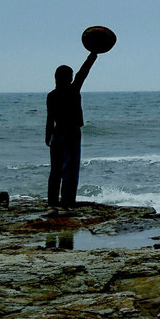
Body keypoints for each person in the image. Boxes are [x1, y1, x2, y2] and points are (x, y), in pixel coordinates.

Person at [45, 51, 98, 208]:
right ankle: (67, 201)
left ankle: (53, 201)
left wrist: (47, 136)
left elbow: (49, 118)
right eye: (70, 76)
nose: (72, 78)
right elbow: (84, 72)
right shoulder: (73, 90)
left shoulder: (51, 95)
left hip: (56, 134)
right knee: (71, 169)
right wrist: (93, 55)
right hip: (71, 133)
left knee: (55, 170)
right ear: (66, 78)